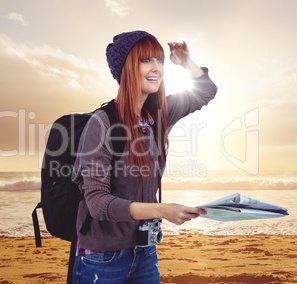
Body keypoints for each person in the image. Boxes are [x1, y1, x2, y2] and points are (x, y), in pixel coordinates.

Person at [71, 30, 217, 283]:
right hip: (101, 258)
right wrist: (163, 210)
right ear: (127, 68)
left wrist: (185, 62)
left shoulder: (158, 116)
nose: (156, 68)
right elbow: (97, 203)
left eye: (159, 60)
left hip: (144, 251)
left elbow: (206, 91)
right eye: (145, 60)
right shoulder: (102, 123)